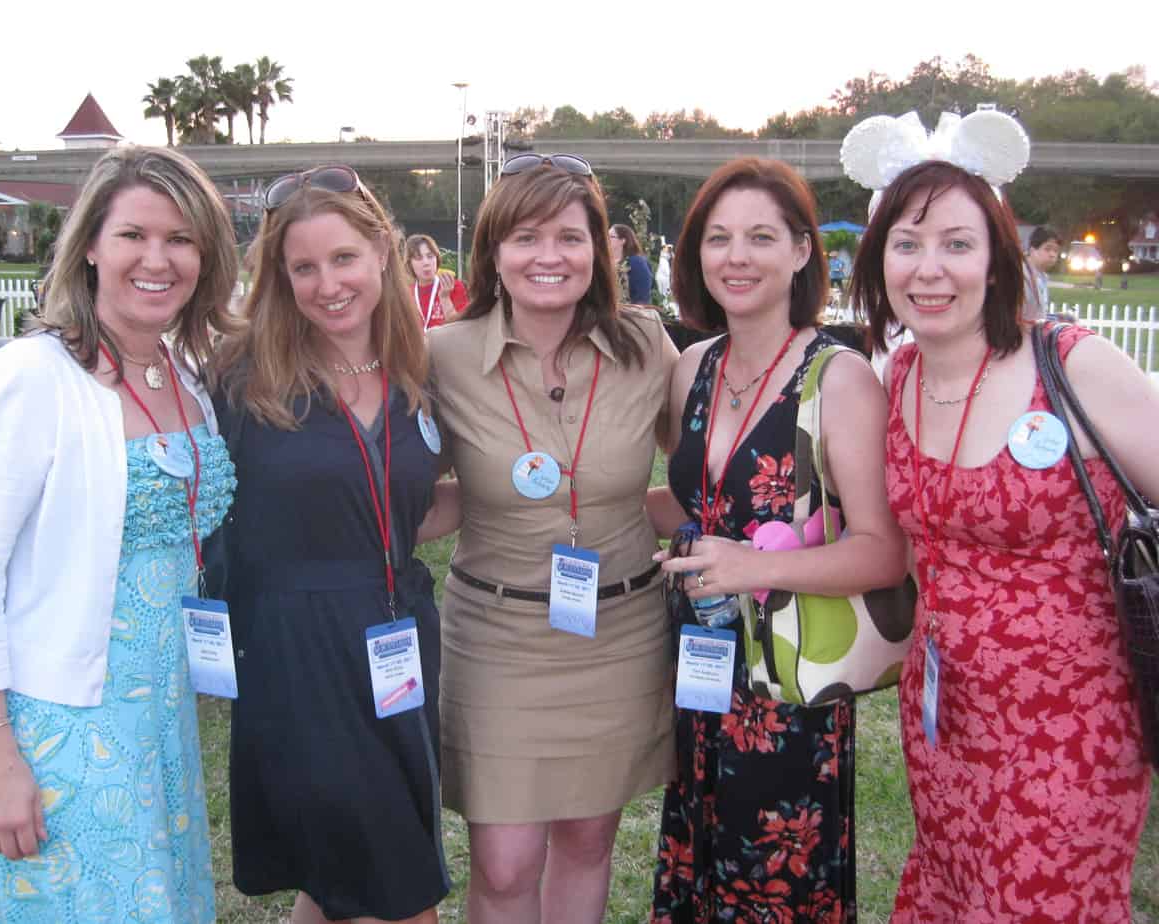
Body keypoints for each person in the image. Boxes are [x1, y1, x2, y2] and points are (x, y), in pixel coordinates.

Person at [0, 145, 240, 920]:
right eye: (134, 235)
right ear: (91, 245)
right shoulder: (25, 380)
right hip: (54, 732)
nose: (157, 259)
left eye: (181, 239)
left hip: (160, 725)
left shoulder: (184, 376)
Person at [848, 157, 1156, 920]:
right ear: (880, 260)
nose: (929, 269)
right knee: (953, 893)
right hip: (943, 716)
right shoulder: (901, 375)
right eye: (907, 244)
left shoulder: (1072, 364)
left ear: (996, 259)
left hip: (1072, 727)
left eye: (957, 244)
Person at [648, 157, 907, 923]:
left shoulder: (838, 378)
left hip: (790, 680)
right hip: (700, 665)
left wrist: (751, 565)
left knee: (774, 885)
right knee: (700, 867)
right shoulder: (694, 366)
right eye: (718, 238)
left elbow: (884, 550)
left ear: (801, 251)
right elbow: (700, 503)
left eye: (761, 236)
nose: (737, 256)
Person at [428, 152, 679, 924]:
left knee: (587, 840)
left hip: (618, 632)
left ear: (599, 250)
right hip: (497, 638)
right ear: (493, 251)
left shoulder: (645, 343)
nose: (549, 256)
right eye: (526, 237)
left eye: (570, 237)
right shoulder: (442, 355)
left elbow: (705, 478)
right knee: (503, 867)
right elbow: (414, 493)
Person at [209, 165, 459, 924]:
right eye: (304, 267)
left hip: (397, 634)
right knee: (399, 891)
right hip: (297, 653)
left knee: (338, 878)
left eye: (344, 257)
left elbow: (404, 507)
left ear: (382, 250)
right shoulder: (241, 378)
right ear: (280, 278)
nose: (328, 284)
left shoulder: (417, 372)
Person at [405, 232, 468, 329]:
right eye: (418, 258)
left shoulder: (454, 286)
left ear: (437, 258)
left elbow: (461, 328)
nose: (426, 263)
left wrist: (445, 298)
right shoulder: (407, 294)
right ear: (410, 264)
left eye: (430, 256)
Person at [610, 222, 654, 305]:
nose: (606, 239)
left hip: (631, 310)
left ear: (622, 241)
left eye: (611, 237)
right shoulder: (606, 262)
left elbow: (642, 294)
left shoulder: (636, 262)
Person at [1024, 225, 1060, 320]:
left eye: (1056, 250)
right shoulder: (1021, 275)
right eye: (1047, 249)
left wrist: (1058, 318)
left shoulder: (1043, 277)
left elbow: (1038, 315)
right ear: (1032, 250)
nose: (1052, 254)